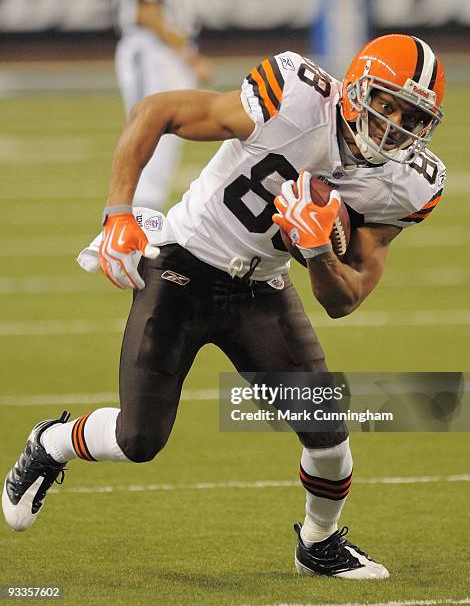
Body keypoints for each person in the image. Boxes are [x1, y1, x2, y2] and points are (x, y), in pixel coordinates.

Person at [3, 34, 446, 580]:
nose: (394, 124)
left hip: (262, 288)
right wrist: (119, 211)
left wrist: (316, 254)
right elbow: (156, 110)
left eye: (411, 115)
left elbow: (345, 298)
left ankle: (320, 543)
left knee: (328, 435)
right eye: (385, 103)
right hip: (183, 267)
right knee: (138, 440)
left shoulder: (409, 182)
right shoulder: (295, 94)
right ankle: (49, 443)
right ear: (356, 88)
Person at [113, 0, 212, 209]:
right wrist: (189, 54)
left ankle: (143, 210)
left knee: (162, 135)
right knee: (152, 131)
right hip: (154, 51)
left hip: (162, 51)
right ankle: (141, 213)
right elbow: (146, 12)